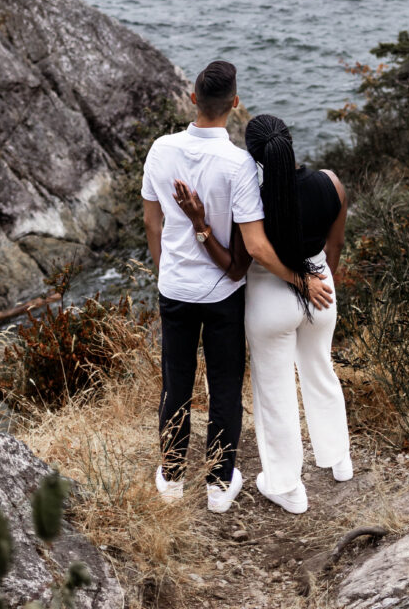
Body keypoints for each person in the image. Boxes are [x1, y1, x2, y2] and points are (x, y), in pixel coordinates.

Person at [141, 63, 333, 514]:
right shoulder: (239, 164)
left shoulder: (160, 150)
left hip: (175, 289)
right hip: (224, 296)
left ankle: (170, 477)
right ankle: (219, 485)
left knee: (177, 382)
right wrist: (301, 280)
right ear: (235, 103)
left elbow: (152, 221)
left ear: (192, 99)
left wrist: (164, 270)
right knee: (225, 386)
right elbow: (256, 246)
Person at [173, 112, 351, 514]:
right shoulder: (331, 183)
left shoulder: (251, 193)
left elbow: (249, 251)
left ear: (254, 155)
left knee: (276, 395)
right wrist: (317, 283)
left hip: (270, 300)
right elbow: (335, 247)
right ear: (289, 143)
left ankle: (287, 486)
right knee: (321, 370)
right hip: (322, 288)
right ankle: (339, 459)